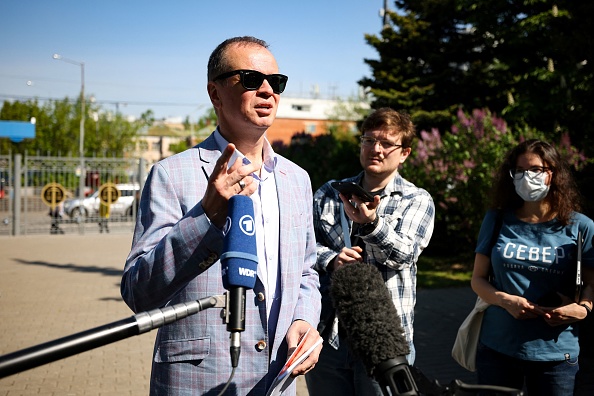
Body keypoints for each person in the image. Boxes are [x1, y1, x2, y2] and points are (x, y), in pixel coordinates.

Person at [121, 36, 322, 395]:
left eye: (275, 83)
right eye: (249, 79)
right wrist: (207, 215)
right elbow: (139, 290)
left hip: (277, 380)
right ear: (215, 93)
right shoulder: (172, 174)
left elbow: (307, 270)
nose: (266, 91)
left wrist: (305, 319)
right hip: (198, 381)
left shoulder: (297, 180)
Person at [305, 107, 435, 395]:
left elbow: (404, 255)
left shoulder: (415, 199)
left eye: (387, 143)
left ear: (404, 153)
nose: (376, 149)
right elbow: (302, 249)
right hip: (328, 335)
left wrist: (372, 224)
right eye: (369, 140)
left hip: (383, 342)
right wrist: (331, 259)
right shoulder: (329, 193)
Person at [471, 139, 594, 395]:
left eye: (536, 170)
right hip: (498, 348)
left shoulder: (581, 226)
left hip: (555, 354)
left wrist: (582, 309)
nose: (527, 177)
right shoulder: (496, 219)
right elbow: (478, 280)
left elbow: (591, 284)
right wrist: (505, 301)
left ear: (553, 173)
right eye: (520, 170)